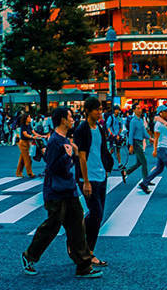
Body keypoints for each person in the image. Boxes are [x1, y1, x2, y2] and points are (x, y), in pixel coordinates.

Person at [20, 107, 101, 278]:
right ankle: (29, 255)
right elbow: (52, 167)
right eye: (70, 117)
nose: (73, 120)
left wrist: (73, 154)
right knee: (52, 226)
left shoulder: (64, 139)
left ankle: (83, 266)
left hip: (69, 190)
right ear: (63, 120)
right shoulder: (55, 141)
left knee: (77, 226)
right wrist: (68, 155)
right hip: (56, 191)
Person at [74, 99, 113, 269]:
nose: (100, 112)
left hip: (101, 175)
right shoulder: (82, 129)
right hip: (88, 178)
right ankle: (87, 252)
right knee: (96, 214)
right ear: (88, 111)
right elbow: (81, 157)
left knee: (98, 215)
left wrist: (107, 167)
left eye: (101, 109)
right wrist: (86, 181)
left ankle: (80, 243)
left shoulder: (100, 128)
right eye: (97, 109)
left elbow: (102, 150)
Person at [138, 108, 167, 196]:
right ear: (161, 113)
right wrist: (155, 150)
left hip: (164, 148)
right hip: (162, 148)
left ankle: (144, 183)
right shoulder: (158, 125)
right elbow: (156, 138)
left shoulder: (165, 122)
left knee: (159, 169)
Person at [121, 108, 149, 181]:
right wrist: (131, 145)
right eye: (138, 108)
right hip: (136, 143)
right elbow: (131, 133)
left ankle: (126, 172)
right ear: (134, 110)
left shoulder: (140, 120)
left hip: (140, 142)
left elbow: (143, 131)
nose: (140, 110)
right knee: (144, 162)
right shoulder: (133, 121)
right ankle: (146, 180)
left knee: (139, 163)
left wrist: (150, 138)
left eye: (140, 108)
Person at [15, 113, 40, 178]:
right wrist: (32, 137)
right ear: (26, 119)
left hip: (28, 143)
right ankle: (30, 173)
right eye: (29, 117)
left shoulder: (29, 125)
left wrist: (40, 136)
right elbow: (25, 134)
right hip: (23, 143)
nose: (30, 118)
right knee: (28, 159)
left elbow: (34, 132)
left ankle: (18, 172)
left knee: (22, 159)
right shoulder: (23, 125)